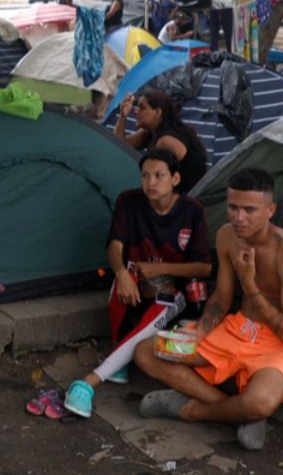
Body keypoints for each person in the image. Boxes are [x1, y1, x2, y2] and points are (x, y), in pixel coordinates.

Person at [132, 168, 283, 451]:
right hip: (235, 331)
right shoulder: (227, 235)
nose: (239, 218)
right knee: (147, 352)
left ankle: (193, 410)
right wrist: (201, 331)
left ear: (270, 210)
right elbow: (222, 296)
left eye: (250, 210)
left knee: (260, 401)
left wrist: (251, 285)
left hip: (276, 347)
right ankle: (236, 413)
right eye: (233, 207)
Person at [62, 149, 213, 418]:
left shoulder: (192, 210)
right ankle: (120, 353)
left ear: (175, 178)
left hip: (172, 289)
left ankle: (89, 382)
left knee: (151, 327)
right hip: (135, 279)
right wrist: (120, 273)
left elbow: (204, 267)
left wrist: (160, 268)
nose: (151, 183)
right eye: (145, 176)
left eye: (159, 175)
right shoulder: (129, 201)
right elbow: (115, 244)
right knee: (124, 286)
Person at [114, 90, 208, 195]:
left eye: (142, 107)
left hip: (188, 198)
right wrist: (122, 116)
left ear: (158, 112)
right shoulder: (151, 133)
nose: (136, 111)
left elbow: (157, 182)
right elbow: (118, 145)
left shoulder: (166, 141)